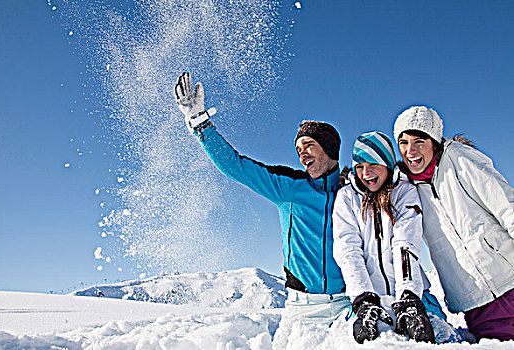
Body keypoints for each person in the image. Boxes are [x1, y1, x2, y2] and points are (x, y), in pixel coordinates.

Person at [174, 73, 350, 347]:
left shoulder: (352, 191)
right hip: (301, 311)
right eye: (298, 149)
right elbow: (236, 166)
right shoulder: (289, 187)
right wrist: (201, 124)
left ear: (329, 148)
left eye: (309, 146)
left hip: (346, 308)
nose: (301, 153)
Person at [393, 106, 514, 341]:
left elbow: (505, 204)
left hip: (509, 275)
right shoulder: (406, 189)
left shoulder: (457, 158)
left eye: (419, 141)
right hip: (474, 299)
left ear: (434, 142)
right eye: (403, 142)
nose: (411, 150)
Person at [333, 131, 462, 344]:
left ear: (387, 163)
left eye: (372, 163)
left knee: (442, 339)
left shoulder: (404, 192)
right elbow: (348, 250)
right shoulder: (347, 198)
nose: (366, 173)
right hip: (368, 297)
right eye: (360, 166)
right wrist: (363, 298)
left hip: (413, 292)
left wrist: (409, 298)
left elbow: (405, 243)